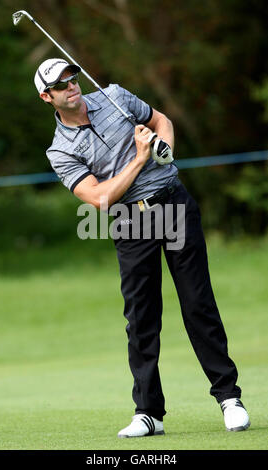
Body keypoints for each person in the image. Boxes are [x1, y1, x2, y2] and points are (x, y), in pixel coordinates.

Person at [34, 58, 250, 437]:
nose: (71, 86)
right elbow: (100, 199)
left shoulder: (113, 96)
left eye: (73, 77)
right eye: (61, 84)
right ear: (46, 96)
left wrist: (163, 145)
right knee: (141, 317)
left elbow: (161, 119)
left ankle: (229, 398)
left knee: (197, 303)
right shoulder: (59, 151)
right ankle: (149, 412)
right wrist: (140, 157)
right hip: (130, 221)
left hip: (172, 203)